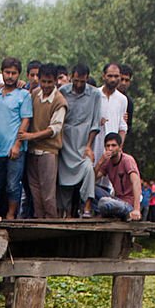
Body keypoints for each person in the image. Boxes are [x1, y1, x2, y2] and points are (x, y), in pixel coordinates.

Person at [19, 63, 67, 219]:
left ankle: (51, 225)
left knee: (48, 194)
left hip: (48, 151)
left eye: (49, 82)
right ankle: (39, 223)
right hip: (32, 151)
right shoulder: (34, 94)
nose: (46, 85)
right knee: (35, 193)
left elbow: (54, 129)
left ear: (55, 82)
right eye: (43, 82)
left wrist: (31, 136)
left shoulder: (59, 101)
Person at [0, 57, 32, 221]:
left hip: (15, 149)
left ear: (18, 74)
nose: (10, 76)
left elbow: (26, 120)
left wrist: (17, 144)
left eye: (14, 73)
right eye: (7, 72)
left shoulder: (24, 95)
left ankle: (11, 215)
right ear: (2, 72)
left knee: (13, 185)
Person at [58, 64, 101, 217]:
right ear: (71, 78)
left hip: (83, 141)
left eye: (82, 81)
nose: (78, 85)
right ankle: (66, 212)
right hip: (66, 141)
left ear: (87, 79)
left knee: (88, 169)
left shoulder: (95, 94)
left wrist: (89, 146)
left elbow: (95, 124)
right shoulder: (63, 91)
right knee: (62, 176)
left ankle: (87, 207)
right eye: (76, 81)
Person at [94, 133, 142, 220]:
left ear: (120, 147)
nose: (110, 148)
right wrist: (100, 162)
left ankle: (111, 213)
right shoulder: (107, 162)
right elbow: (92, 179)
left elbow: (136, 182)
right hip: (116, 200)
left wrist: (136, 209)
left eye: (113, 145)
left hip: (128, 205)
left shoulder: (127, 160)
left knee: (104, 203)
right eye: (107, 146)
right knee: (90, 189)